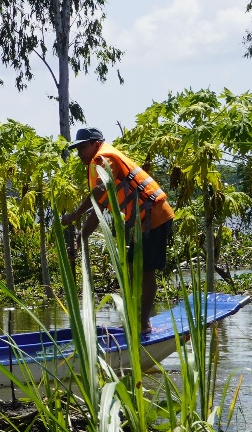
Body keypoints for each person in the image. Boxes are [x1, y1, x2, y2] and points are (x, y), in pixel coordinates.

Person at [60, 127, 175, 335]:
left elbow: (101, 191)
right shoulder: (99, 164)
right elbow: (99, 207)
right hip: (145, 222)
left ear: (95, 144)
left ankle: (142, 324)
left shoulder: (104, 158)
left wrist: (75, 214)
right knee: (132, 268)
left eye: (83, 147)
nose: (80, 154)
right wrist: (80, 238)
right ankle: (137, 320)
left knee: (143, 270)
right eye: (77, 149)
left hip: (155, 216)